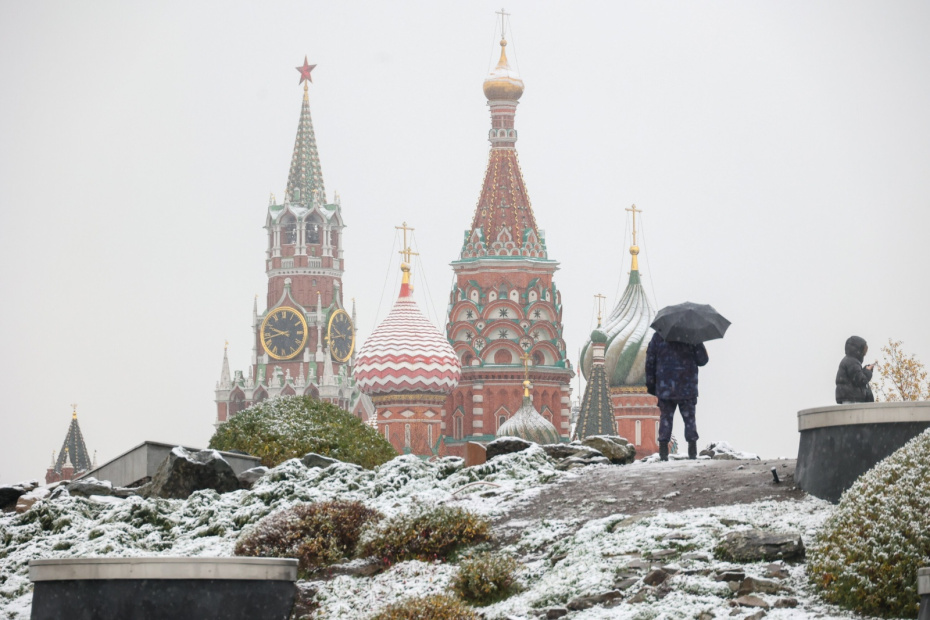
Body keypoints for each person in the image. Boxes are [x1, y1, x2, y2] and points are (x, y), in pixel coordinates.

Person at [645, 332, 709, 461]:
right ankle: (692, 452)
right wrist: (698, 344)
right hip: (687, 386)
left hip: (665, 387)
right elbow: (703, 360)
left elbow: (650, 362)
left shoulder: (659, 336)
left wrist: (651, 385)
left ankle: (663, 454)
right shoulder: (691, 335)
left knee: (665, 420)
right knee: (689, 420)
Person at [835, 336, 875, 404]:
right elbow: (860, 380)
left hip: (848, 397)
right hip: (852, 399)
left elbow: (855, 376)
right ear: (858, 350)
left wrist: (864, 370)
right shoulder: (852, 362)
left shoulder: (849, 360)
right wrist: (868, 371)